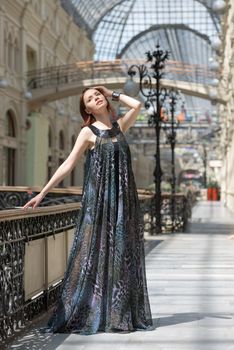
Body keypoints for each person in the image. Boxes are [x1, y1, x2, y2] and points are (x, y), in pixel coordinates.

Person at [23, 86, 153, 335]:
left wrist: (112, 92)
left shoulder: (119, 127)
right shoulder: (87, 132)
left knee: (121, 255)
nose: (96, 98)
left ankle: (117, 314)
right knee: (92, 253)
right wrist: (42, 193)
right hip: (98, 203)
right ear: (88, 110)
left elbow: (137, 105)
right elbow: (67, 164)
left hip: (123, 204)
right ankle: (89, 311)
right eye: (90, 99)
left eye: (98, 95)